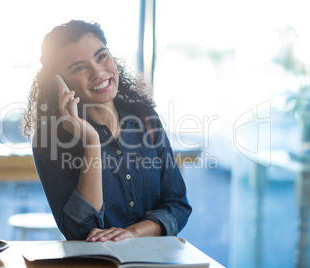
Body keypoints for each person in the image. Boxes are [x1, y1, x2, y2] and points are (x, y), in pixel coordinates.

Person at [23, 20, 191, 242]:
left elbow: (178, 205)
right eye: (80, 67)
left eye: (101, 56)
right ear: (60, 83)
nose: (98, 72)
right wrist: (92, 143)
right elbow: (78, 231)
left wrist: (133, 232)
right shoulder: (49, 142)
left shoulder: (146, 119)